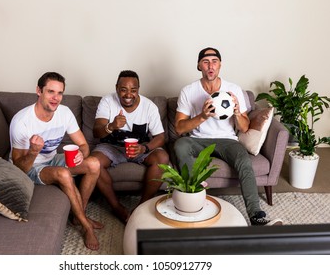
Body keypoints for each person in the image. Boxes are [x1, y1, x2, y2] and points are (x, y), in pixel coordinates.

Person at [174, 47, 282, 226]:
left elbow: (245, 127)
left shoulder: (233, 89)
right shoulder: (188, 91)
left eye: (214, 61)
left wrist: (238, 113)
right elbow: (178, 128)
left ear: (220, 65)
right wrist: (202, 116)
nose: (210, 66)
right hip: (198, 140)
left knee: (244, 161)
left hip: (227, 140)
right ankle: (194, 199)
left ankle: (256, 215)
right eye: (206, 62)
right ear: (199, 65)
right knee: (180, 144)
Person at [9, 72, 102, 250]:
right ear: (39, 91)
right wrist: (34, 152)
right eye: (51, 92)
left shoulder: (64, 113)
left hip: (52, 159)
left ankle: (78, 215)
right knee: (64, 173)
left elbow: (83, 144)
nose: (56, 98)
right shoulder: (22, 121)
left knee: (94, 164)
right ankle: (86, 226)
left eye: (60, 93)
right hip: (31, 166)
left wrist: (82, 153)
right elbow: (19, 168)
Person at [91, 70, 170, 223]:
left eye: (133, 90)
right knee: (94, 163)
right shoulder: (107, 101)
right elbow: (96, 132)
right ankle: (117, 208)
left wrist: (144, 148)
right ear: (116, 88)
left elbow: (160, 137)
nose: (128, 94)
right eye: (123, 89)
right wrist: (112, 125)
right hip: (112, 147)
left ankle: (141, 206)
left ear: (138, 89)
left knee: (162, 157)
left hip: (140, 148)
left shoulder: (149, 106)